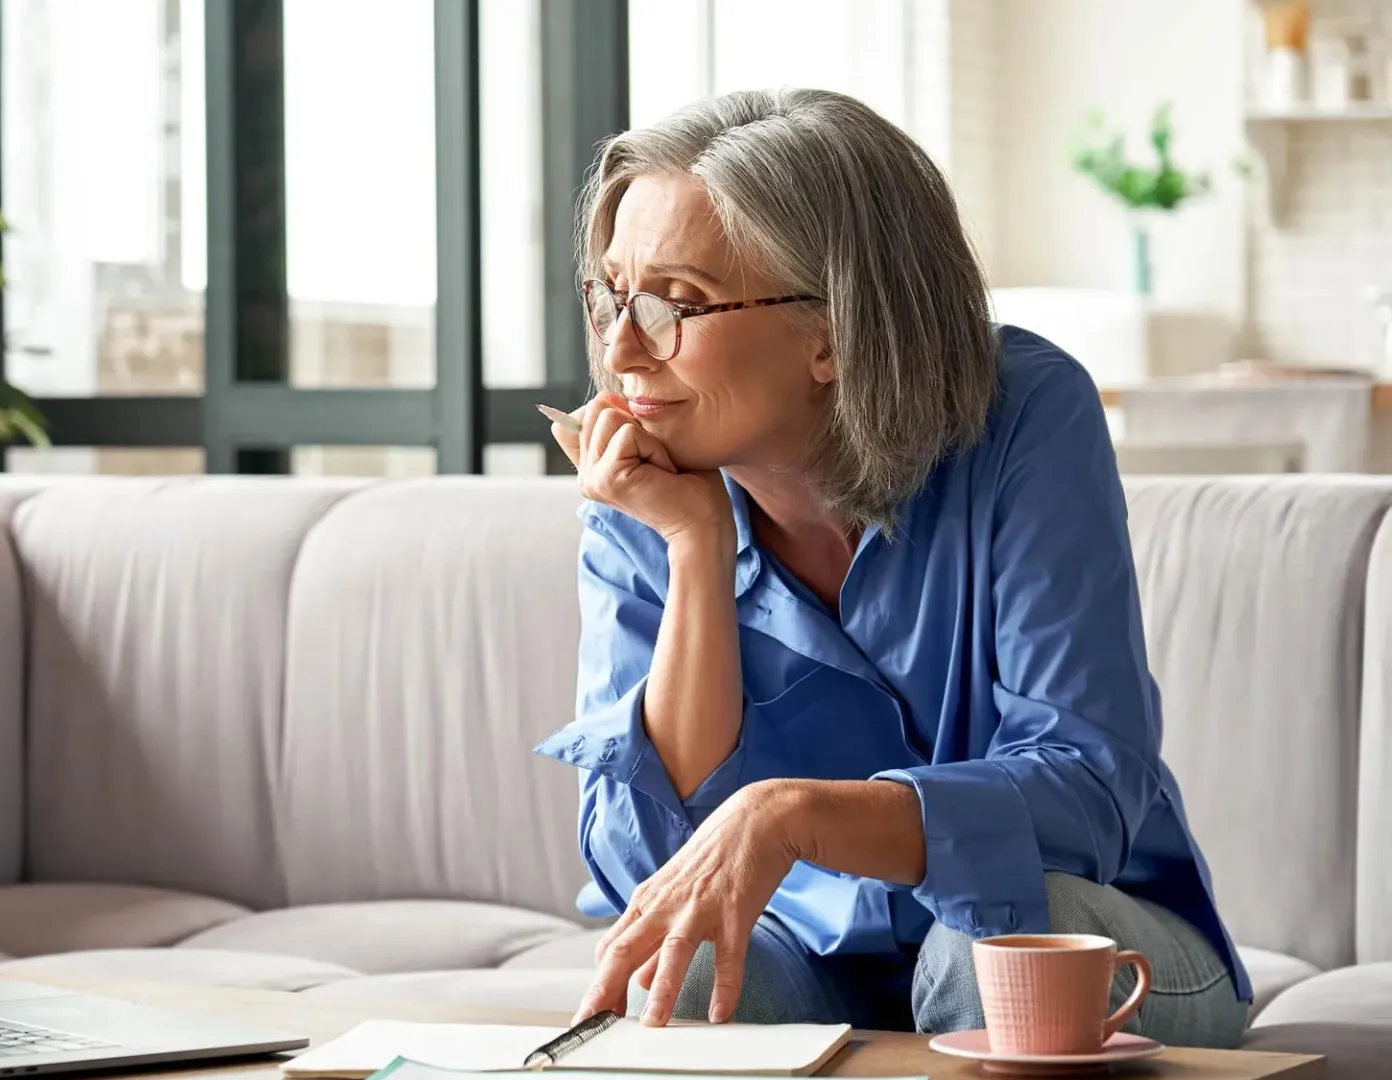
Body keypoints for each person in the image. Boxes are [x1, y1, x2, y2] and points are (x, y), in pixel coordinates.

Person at [534, 87, 1250, 1048]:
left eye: (676, 304)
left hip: (1090, 933)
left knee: (987, 950)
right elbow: (648, 870)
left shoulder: (1025, 415)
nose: (621, 351)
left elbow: (1087, 791)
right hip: (811, 956)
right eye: (610, 295)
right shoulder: (646, 483)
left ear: (833, 331)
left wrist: (795, 817)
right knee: (689, 968)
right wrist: (695, 550)